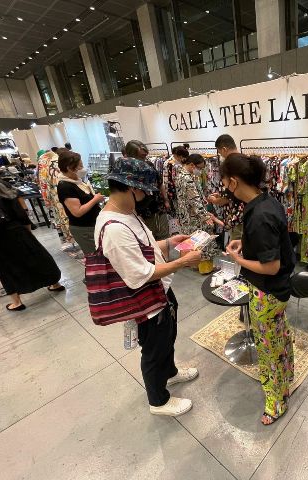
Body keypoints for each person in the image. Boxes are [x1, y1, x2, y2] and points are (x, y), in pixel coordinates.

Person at [98, 158, 202, 416]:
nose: (146, 196)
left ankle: (170, 373)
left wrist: (168, 243)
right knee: (154, 350)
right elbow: (139, 275)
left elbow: (143, 248)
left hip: (160, 291)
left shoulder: (126, 213)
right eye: (143, 190)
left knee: (166, 338)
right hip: (146, 299)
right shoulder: (114, 228)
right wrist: (182, 262)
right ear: (130, 188)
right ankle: (158, 401)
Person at [222, 153, 296, 425]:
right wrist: (245, 243)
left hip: (267, 290)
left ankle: (275, 403)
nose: (224, 187)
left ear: (233, 181)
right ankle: (286, 379)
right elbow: (271, 242)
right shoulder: (265, 201)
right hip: (278, 289)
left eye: (224, 181)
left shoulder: (259, 215)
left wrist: (238, 259)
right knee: (279, 337)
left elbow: (271, 266)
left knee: (268, 349)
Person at [0, 165, 64, 311]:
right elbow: (21, 213)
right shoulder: (4, 190)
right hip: (19, 231)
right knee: (37, 258)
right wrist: (27, 231)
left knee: (7, 268)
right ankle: (55, 284)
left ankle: (17, 302)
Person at [56, 149, 104, 254]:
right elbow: (77, 212)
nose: (82, 169)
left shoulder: (77, 181)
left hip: (92, 225)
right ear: (69, 168)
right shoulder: (65, 186)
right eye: (80, 166)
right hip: (84, 229)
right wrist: (95, 199)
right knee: (96, 258)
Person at [124, 140, 170, 240]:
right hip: (142, 212)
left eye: (145, 156)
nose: (144, 159)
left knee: (164, 236)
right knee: (149, 239)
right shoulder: (126, 172)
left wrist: (166, 200)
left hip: (158, 207)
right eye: (141, 156)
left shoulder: (150, 165)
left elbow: (160, 183)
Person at [208, 134, 245, 240]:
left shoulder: (228, 166)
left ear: (224, 149)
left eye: (220, 152)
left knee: (237, 245)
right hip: (248, 213)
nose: (221, 155)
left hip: (236, 216)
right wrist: (221, 194)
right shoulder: (246, 160)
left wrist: (215, 200)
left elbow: (227, 198)